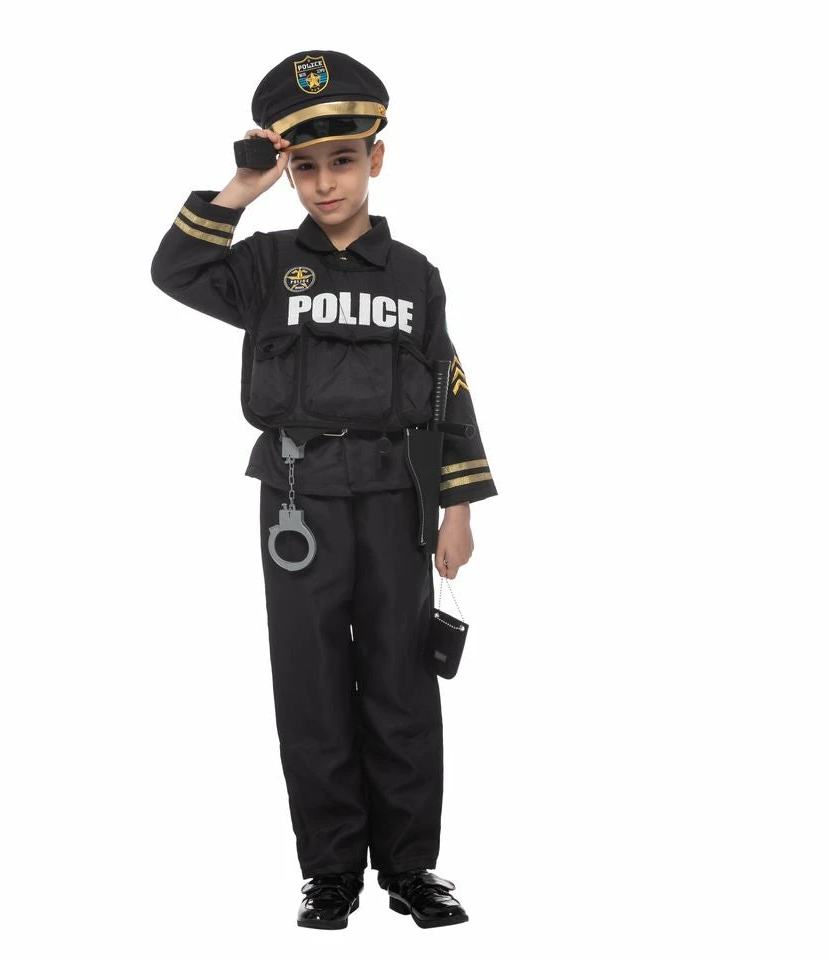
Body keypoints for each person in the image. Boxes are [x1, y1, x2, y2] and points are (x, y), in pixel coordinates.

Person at [150, 50, 497, 930]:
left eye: (343, 160)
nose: (324, 183)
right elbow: (175, 271)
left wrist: (458, 507)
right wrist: (242, 186)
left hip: (395, 495)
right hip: (296, 498)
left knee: (401, 680)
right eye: (304, 167)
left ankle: (412, 868)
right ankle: (331, 870)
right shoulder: (264, 266)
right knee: (309, 683)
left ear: (376, 158)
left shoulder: (414, 275)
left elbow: (447, 388)